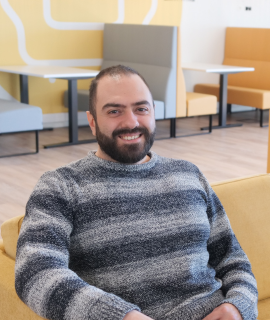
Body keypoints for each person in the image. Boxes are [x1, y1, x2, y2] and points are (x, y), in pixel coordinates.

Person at [15, 65, 258, 320]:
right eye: (114, 111)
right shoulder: (60, 186)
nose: (131, 122)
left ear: (154, 113)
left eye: (141, 109)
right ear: (92, 121)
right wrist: (121, 317)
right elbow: (35, 272)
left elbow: (232, 258)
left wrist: (238, 307)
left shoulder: (189, 174)